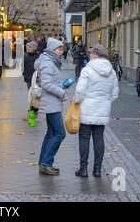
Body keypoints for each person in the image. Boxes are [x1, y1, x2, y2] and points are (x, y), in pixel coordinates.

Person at [74, 44, 119, 178]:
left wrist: (76, 101)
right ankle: (97, 169)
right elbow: (115, 94)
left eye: (91, 53)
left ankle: (83, 169)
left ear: (95, 55)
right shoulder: (112, 72)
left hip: (87, 109)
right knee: (99, 139)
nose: (89, 55)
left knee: (84, 138)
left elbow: (80, 91)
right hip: (102, 109)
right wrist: (105, 101)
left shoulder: (87, 70)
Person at [34, 38, 68, 176]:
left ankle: (44, 163)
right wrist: (62, 92)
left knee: (51, 133)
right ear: (52, 49)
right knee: (60, 133)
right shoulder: (48, 63)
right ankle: (47, 163)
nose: (61, 52)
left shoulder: (49, 61)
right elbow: (46, 84)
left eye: (62, 50)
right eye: (59, 49)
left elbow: (50, 82)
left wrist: (62, 85)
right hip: (51, 104)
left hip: (51, 103)